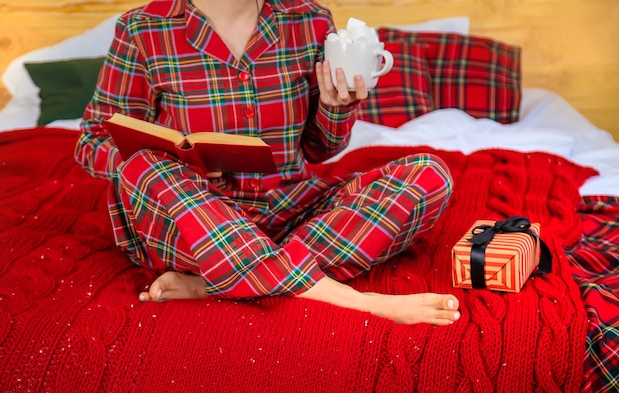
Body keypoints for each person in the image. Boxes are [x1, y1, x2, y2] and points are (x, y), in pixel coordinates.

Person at [75, 0, 461, 326]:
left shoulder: (309, 20)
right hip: (194, 219)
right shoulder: (142, 28)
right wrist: (181, 162)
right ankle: (348, 298)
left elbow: (320, 150)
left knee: (429, 174)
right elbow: (92, 140)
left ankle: (216, 281)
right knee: (144, 165)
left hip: (289, 209)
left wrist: (335, 108)